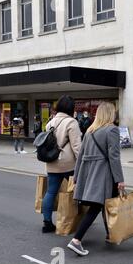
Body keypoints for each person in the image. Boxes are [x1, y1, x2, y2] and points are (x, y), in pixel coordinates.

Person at [68, 102, 125, 256]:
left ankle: (110, 234)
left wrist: (77, 176)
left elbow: (80, 156)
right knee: (96, 206)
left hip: (89, 174)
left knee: (106, 204)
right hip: (104, 174)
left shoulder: (90, 131)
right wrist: (120, 179)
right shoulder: (112, 130)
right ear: (110, 114)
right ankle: (76, 240)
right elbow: (114, 157)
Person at [41, 96, 82, 233]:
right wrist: (82, 162)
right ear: (71, 108)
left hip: (52, 162)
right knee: (77, 190)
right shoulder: (72, 122)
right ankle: (77, 218)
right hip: (69, 164)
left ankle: (47, 223)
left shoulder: (50, 122)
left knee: (51, 192)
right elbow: (77, 146)